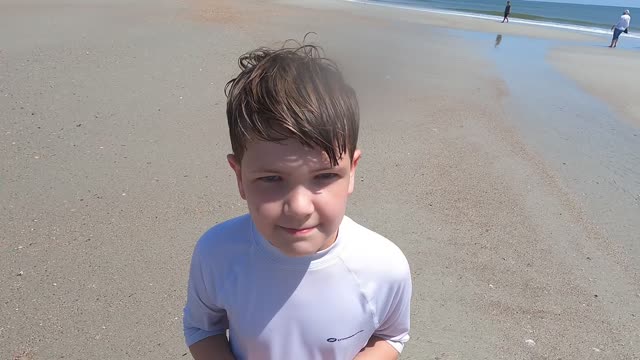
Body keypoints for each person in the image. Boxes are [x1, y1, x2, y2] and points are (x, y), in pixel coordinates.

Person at [183, 42, 412, 360]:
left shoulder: (385, 266)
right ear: (240, 177)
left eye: (324, 176)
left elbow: (392, 334)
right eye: (272, 179)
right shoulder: (217, 253)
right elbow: (202, 328)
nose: (300, 207)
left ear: (351, 172)